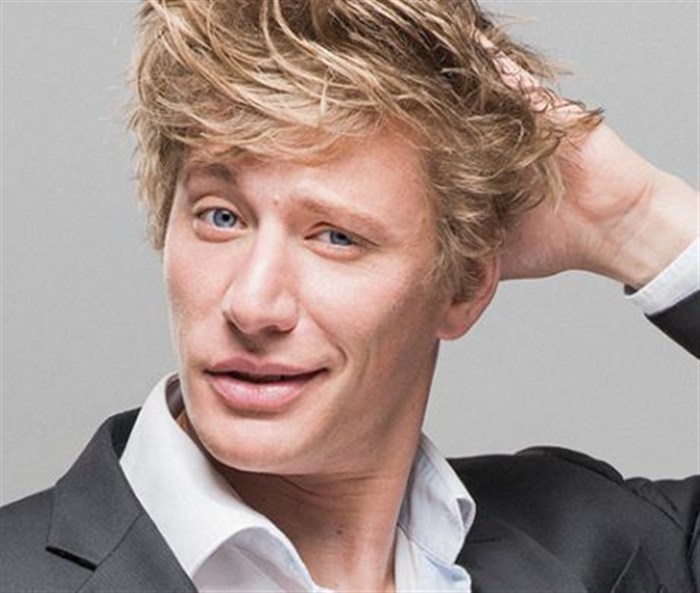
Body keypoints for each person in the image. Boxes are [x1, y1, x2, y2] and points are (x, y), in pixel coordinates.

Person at [1, 0, 698, 591]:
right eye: (221, 217)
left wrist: (638, 222)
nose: (252, 305)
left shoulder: (601, 548)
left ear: (462, 286)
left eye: (335, 236)